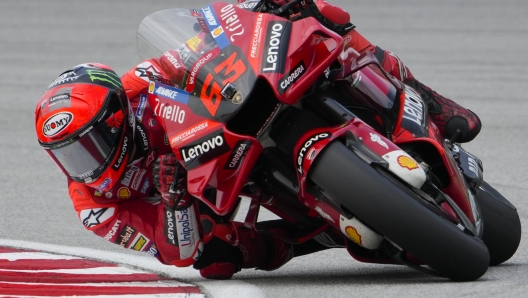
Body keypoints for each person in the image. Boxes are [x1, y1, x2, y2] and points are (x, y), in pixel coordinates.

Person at [34, 0, 481, 281]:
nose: (83, 164)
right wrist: (173, 203)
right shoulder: (94, 205)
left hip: (229, 127)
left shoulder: (138, 84)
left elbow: (196, 46)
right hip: (207, 190)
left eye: (88, 144)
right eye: (68, 154)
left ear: (117, 117)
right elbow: (174, 251)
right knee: (214, 259)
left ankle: (431, 102)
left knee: (313, 15)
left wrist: (259, 11)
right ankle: (313, 234)